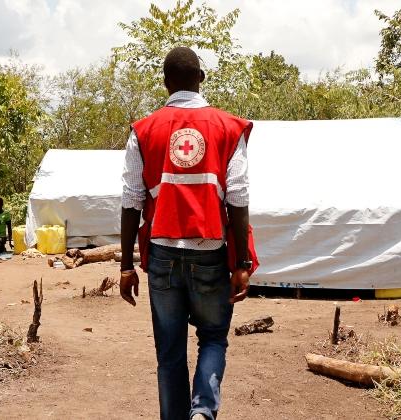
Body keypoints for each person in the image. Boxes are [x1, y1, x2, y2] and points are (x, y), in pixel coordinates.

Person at [119, 46, 255, 420]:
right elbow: (239, 198)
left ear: (165, 84)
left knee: (169, 351)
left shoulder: (143, 131)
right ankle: (202, 412)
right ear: (202, 78)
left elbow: (131, 200)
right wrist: (242, 261)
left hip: (162, 253)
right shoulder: (229, 127)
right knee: (212, 337)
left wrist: (126, 266)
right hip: (211, 252)